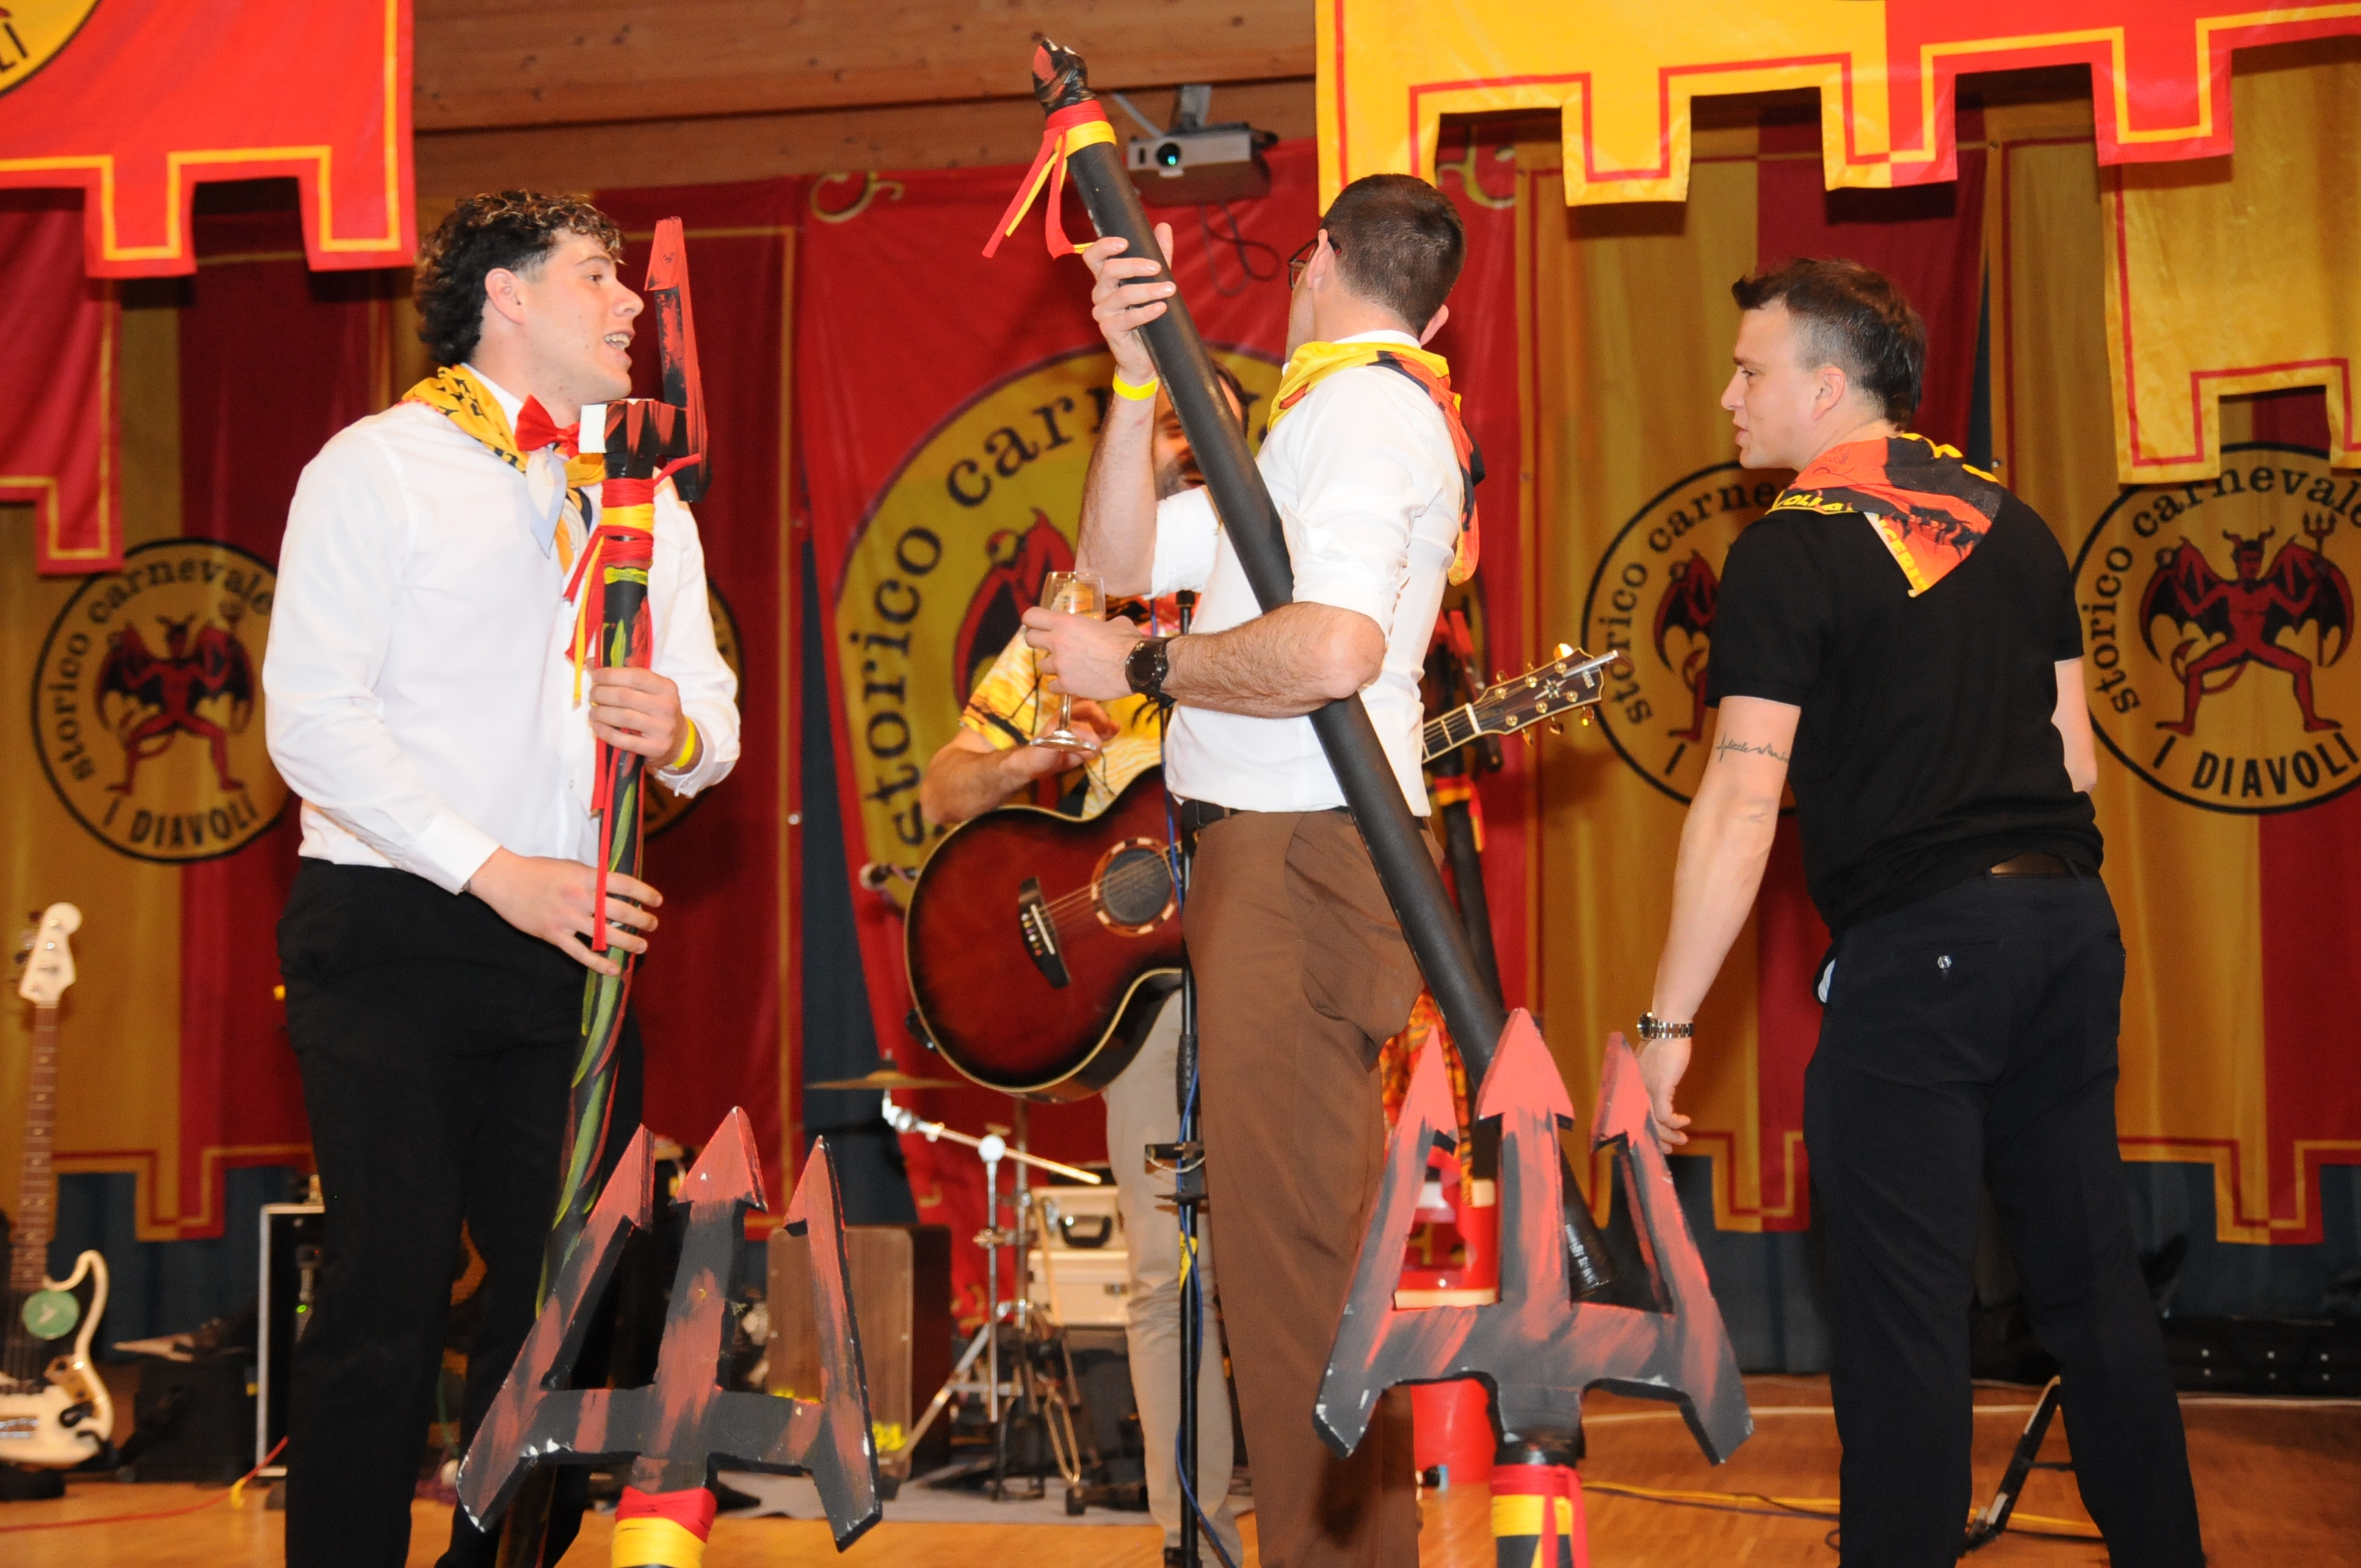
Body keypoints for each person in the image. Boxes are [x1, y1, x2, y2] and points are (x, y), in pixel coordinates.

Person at [1636, 258, 2203, 1566]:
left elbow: (1740, 803)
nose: (1729, 395)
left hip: (1926, 953)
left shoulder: (1786, 550)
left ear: (1828, 387)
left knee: (1904, 1318)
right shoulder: (2014, 521)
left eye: (1751, 369)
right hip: (2069, 930)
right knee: (2092, 1289)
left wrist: (1669, 1023)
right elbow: (2076, 765)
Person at [264, 191, 739, 1568]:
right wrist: (497, 873)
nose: (631, 302)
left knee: (566, 1307)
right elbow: (312, 723)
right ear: (507, 296)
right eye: (597, 274)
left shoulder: (643, 490)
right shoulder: (378, 467)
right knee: (391, 1291)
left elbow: (714, 718)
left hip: (577, 938)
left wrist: (681, 729)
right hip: (394, 926)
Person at [1023, 173, 1476, 1568]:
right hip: (1270, 849)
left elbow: (1333, 650)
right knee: (1293, 1259)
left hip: (1295, 849)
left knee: (1292, 1273)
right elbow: (1118, 557)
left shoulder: (1360, 411)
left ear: (1315, 260)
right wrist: (1130, 383)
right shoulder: (1320, 413)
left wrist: (1144, 666)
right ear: (1437, 310)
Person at [920, 370, 1250, 1568]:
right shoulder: (1077, 614)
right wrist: (1028, 762)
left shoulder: (1273, 581)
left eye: (1207, 424)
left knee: (1290, 1253)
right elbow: (944, 786)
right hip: (1141, 982)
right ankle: (1191, 1539)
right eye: (1164, 424)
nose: (1186, 441)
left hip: (1269, 942)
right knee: (1166, 1271)